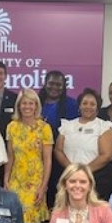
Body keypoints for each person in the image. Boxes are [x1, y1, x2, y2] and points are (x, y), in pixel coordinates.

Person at [55, 88, 112, 200]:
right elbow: (58, 150)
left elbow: (107, 155)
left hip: (97, 178)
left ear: (97, 107)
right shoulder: (67, 125)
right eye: (85, 103)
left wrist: (83, 172)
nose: (88, 106)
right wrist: (72, 171)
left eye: (92, 104)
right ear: (79, 106)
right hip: (70, 177)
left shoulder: (104, 126)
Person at [4, 88, 53, 223]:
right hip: (16, 180)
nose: (27, 107)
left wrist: (43, 186)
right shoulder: (11, 127)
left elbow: (47, 160)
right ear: (19, 105)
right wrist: (6, 180)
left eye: (31, 103)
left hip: (35, 181)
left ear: (36, 106)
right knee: (14, 216)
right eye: (24, 103)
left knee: (29, 217)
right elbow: (10, 156)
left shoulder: (44, 128)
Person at [38, 70, 78, 208]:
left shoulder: (71, 105)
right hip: (37, 157)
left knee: (57, 193)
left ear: (64, 86)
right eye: (51, 83)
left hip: (60, 157)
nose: (54, 87)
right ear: (45, 84)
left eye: (58, 84)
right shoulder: (37, 102)